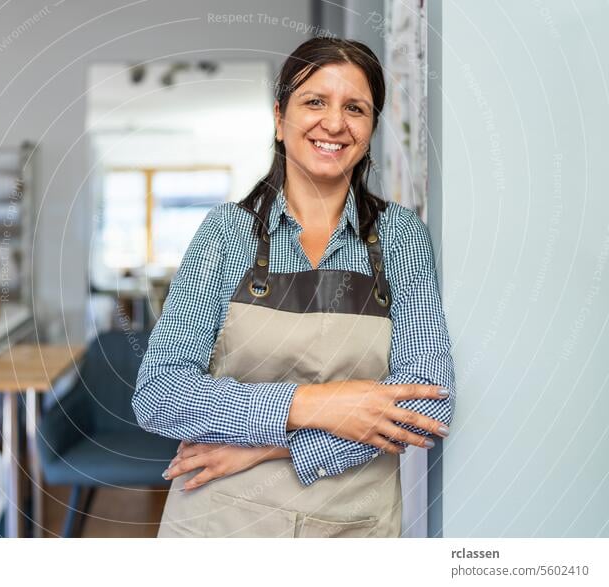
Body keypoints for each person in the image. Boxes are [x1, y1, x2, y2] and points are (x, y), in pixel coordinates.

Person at [132, 36, 456, 538]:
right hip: (219, 524)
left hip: (353, 528)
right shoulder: (226, 233)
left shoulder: (401, 238)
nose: (334, 123)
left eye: (355, 108)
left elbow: (428, 404)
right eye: (314, 102)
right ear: (280, 119)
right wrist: (319, 406)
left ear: (371, 130)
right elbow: (159, 393)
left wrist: (270, 444)